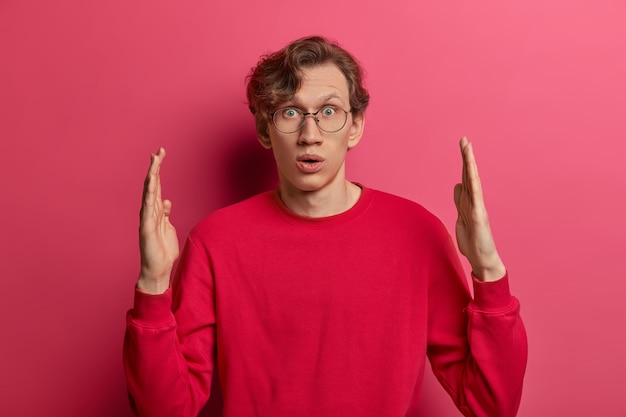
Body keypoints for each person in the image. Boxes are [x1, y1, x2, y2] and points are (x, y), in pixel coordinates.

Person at [123, 36, 527, 417]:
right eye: (291, 113)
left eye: (329, 111)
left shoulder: (417, 233)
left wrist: (488, 269)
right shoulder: (215, 241)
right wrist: (153, 284)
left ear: (355, 126)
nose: (310, 135)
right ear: (266, 130)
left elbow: (490, 405)